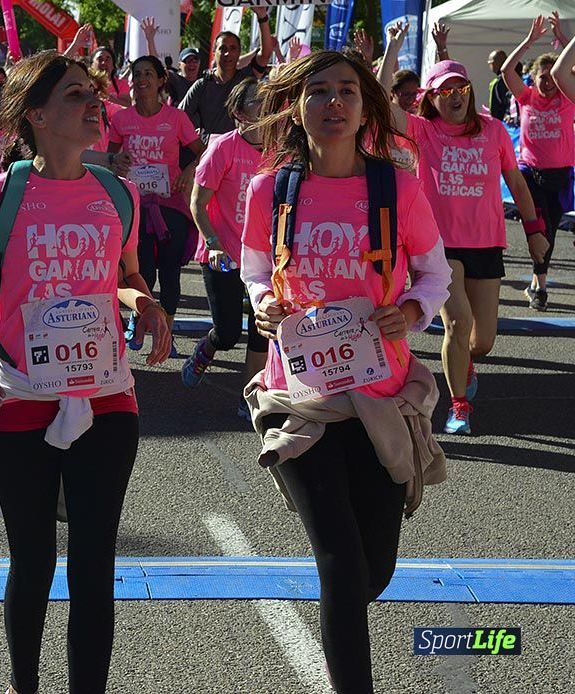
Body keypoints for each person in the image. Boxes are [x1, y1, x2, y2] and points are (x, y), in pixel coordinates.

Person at [0, 50, 170, 694]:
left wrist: (144, 300)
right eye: (75, 95)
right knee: (35, 561)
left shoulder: (116, 193)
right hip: (18, 397)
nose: (94, 102)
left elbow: (122, 280)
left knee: (94, 567)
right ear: (37, 115)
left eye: (93, 92)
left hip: (105, 398)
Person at [241, 50, 451, 693]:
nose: (333, 103)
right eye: (319, 92)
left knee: (373, 569)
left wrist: (412, 310)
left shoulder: (396, 188)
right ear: (296, 107)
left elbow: (436, 275)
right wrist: (263, 304)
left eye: (347, 92)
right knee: (337, 560)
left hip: (381, 394)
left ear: (366, 108)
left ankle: (341, 626)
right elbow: (254, 270)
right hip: (299, 399)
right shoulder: (271, 189)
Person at [381, 23, 548, 436]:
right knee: (456, 324)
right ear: (431, 99)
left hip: (486, 244)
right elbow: (380, 104)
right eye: (445, 90)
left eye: (461, 89)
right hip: (439, 246)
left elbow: (517, 182)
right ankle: (459, 405)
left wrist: (534, 231)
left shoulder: (493, 131)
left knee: (482, 340)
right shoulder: (422, 132)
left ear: (470, 93)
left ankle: (466, 363)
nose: (455, 97)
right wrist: (393, 46)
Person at [108, 56, 205, 356]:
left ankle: (168, 332)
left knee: (170, 274)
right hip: (135, 206)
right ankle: (138, 325)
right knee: (141, 272)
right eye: (137, 74)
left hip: (170, 206)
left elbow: (202, 153)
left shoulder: (176, 118)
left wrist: (189, 170)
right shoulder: (121, 119)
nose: (141, 80)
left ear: (161, 80)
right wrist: (117, 161)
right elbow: (110, 159)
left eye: (148, 74)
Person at [184, 77, 269, 418]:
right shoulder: (223, 148)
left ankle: (249, 397)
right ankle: (205, 350)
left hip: (262, 259)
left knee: (263, 329)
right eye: (258, 102)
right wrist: (214, 244)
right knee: (229, 332)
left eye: (270, 101)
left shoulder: (283, 150)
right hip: (223, 254)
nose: (267, 108)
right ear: (239, 112)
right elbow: (197, 203)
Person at [502, 14, 575, 311]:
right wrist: (530, 41)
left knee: (551, 232)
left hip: (560, 176)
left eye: (552, 77)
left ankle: (535, 282)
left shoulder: (568, 100)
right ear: (534, 77)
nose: (548, 82)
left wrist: (566, 38)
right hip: (530, 173)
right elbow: (507, 70)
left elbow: (563, 72)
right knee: (540, 227)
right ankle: (541, 290)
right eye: (542, 76)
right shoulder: (527, 97)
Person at [179, 6, 274, 141]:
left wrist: (262, 16)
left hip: (240, 154)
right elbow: (179, 117)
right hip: (210, 155)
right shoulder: (202, 85)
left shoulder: (246, 80)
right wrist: (196, 143)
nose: (227, 53)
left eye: (233, 48)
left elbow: (265, 54)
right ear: (214, 52)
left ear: (239, 53)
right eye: (222, 48)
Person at [487, 50, 511, 121]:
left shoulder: (498, 82)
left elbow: (495, 109)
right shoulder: (515, 77)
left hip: (503, 123)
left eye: (490, 63)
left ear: (495, 63)